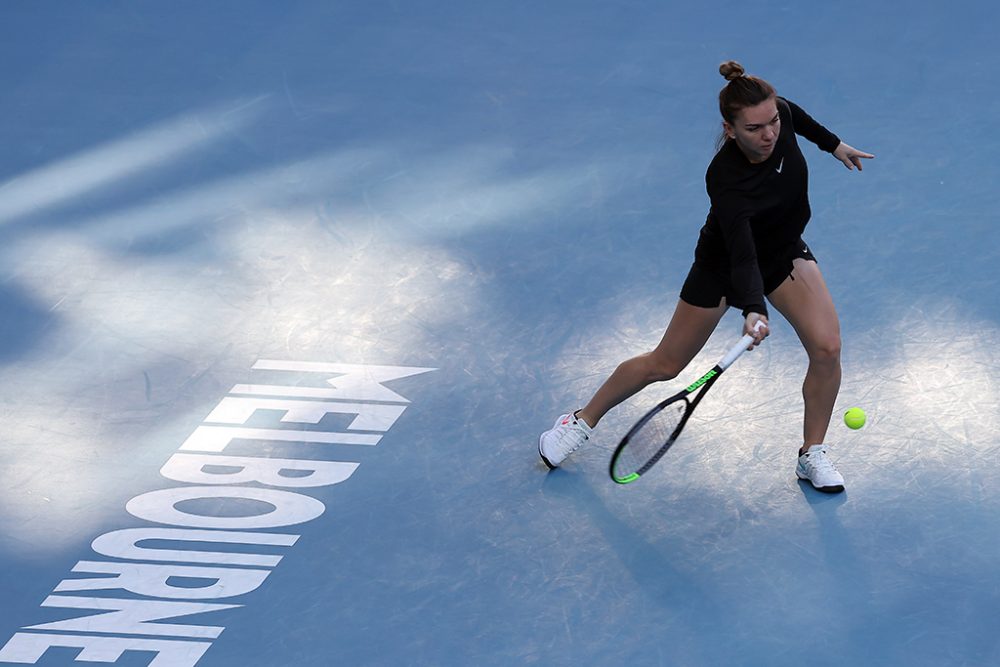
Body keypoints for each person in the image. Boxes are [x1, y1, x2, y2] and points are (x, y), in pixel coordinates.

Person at [538, 61, 874, 493]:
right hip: (724, 266)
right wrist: (753, 308)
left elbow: (798, 118)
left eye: (772, 121)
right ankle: (580, 421)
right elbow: (742, 252)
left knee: (827, 349)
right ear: (730, 130)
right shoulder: (725, 178)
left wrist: (834, 145)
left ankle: (812, 454)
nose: (769, 134)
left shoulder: (781, 117)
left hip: (784, 253)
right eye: (754, 128)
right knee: (665, 364)